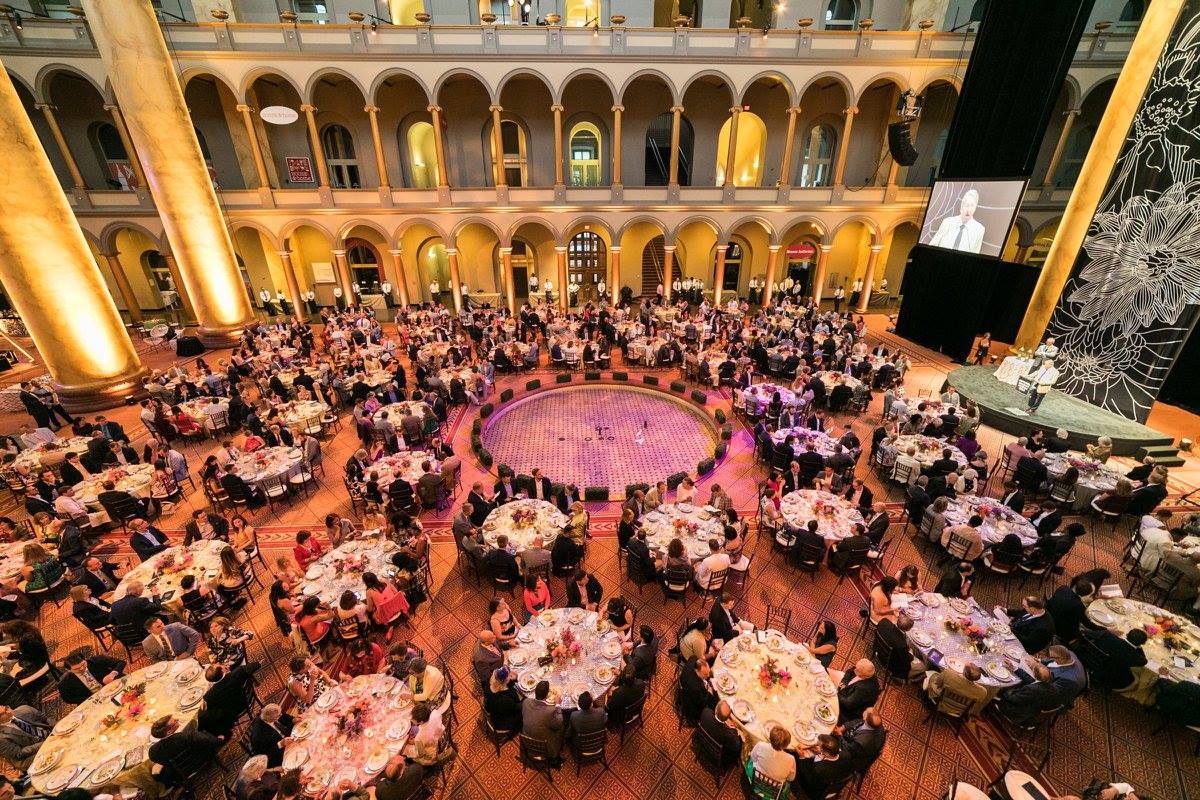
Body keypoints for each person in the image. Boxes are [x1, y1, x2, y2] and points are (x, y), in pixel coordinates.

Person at [148, 715, 222, 786]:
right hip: (200, 760)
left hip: (181, 773)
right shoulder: (186, 736)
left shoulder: (153, 752)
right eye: (175, 721)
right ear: (169, 732)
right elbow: (208, 742)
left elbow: (162, 762)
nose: (177, 720)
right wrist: (219, 739)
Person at [1076, 628, 1148, 691]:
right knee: (1136, 680)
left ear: (1127, 635)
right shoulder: (1135, 656)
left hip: (1087, 660)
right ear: (1142, 643)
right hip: (1107, 677)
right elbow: (1144, 661)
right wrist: (1139, 648)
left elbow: (1085, 632)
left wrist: (1109, 631)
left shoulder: (1107, 635)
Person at [794, 734, 856, 800]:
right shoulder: (846, 754)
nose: (817, 746)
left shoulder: (820, 769)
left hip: (814, 791)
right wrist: (820, 752)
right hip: (835, 779)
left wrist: (802, 757)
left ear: (826, 753)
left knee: (795, 759)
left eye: (819, 746)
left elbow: (808, 778)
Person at [996, 664, 1061, 725]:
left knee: (1002, 689)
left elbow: (1013, 699)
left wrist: (1004, 690)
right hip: (1033, 711)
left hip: (1017, 713)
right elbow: (1031, 681)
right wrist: (1015, 668)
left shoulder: (1031, 689)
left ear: (1034, 675)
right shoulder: (1054, 688)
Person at [927, 188, 985, 253]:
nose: (969, 209)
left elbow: (975, 255)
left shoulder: (979, 229)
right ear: (961, 206)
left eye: (972, 206)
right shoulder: (947, 222)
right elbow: (932, 245)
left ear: (975, 208)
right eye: (967, 205)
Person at [58, 649, 125, 704]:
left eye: (83, 664)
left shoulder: (96, 660)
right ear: (68, 670)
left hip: (114, 687)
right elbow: (67, 699)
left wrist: (112, 674)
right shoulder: (65, 683)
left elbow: (121, 662)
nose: (82, 668)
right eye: (76, 669)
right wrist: (89, 698)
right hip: (95, 701)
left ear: (85, 659)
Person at [522, 680, 565, 761]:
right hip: (545, 747)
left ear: (535, 691)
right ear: (547, 695)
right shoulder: (549, 711)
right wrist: (558, 705)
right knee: (562, 727)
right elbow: (559, 724)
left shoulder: (526, 702)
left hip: (527, 742)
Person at [872, 614, 925, 679]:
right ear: (908, 629)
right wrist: (911, 656)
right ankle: (907, 679)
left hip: (878, 648)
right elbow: (905, 661)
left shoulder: (884, 622)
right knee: (923, 666)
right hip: (889, 663)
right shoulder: (901, 644)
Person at [925, 663, 989, 716]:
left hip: (941, 703)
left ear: (964, 672)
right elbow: (976, 703)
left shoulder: (948, 673)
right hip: (961, 710)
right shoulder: (982, 692)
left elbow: (938, 684)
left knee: (933, 676)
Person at [0, 704, 51, 769]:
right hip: (28, 757)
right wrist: (45, 743)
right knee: (55, 753)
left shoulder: (24, 709)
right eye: (2, 714)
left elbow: (46, 719)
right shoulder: (1, 738)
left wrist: (57, 727)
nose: (9, 711)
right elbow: (19, 754)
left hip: (47, 737)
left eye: (6, 708)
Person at [248, 703, 294, 768]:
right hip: (278, 755)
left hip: (287, 739)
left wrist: (293, 719)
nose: (280, 716)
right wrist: (280, 744)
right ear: (270, 718)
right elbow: (263, 756)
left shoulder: (270, 712)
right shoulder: (259, 735)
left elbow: (283, 716)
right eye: (278, 716)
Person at [678, 656, 718, 723]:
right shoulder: (695, 687)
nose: (708, 675)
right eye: (705, 674)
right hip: (692, 707)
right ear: (697, 671)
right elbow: (702, 703)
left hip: (686, 685)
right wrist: (709, 692)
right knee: (715, 702)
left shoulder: (693, 659)